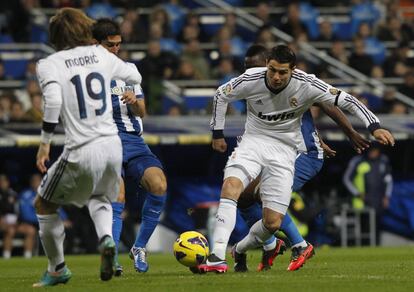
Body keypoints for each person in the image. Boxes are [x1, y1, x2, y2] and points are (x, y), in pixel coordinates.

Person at [197, 44, 394, 273]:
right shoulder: (251, 79)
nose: (276, 77)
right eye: (272, 70)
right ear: (267, 66)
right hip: (253, 143)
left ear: (293, 70)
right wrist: (217, 134)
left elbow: (346, 100)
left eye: (282, 72)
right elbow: (221, 94)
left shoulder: (307, 84)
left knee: (272, 223)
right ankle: (216, 257)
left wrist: (374, 126)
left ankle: (241, 249)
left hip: (285, 153)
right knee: (232, 187)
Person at [235, 44, 371, 272]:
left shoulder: (294, 83)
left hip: (302, 153)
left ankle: (300, 245)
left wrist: (350, 133)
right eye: (246, 67)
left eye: (255, 66)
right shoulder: (254, 87)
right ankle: (270, 245)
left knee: (264, 194)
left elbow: (327, 104)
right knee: (243, 196)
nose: (250, 72)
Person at [33, 8, 141, 287]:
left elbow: (54, 103)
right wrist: (127, 90)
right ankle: (106, 238)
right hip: (112, 145)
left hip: (81, 148)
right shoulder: (102, 56)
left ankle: (57, 269)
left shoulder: (50, 63)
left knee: (44, 204)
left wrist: (44, 144)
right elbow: (133, 75)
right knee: (100, 197)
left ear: (56, 34)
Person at [92, 18, 167, 275]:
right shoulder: (88, 75)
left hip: (134, 143)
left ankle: (139, 247)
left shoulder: (129, 70)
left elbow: (142, 111)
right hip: (105, 142)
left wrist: (134, 100)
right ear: (96, 44)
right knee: (118, 195)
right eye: (110, 45)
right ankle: (112, 256)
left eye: (118, 44)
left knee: (159, 185)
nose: (115, 49)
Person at [343, 143, 393, 245]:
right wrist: (357, 193)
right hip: (361, 201)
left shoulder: (383, 161)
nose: (372, 153)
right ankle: (362, 246)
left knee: (377, 225)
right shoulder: (358, 161)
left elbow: (388, 180)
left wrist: (387, 196)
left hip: (377, 199)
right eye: (370, 150)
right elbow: (346, 179)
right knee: (363, 226)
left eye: (374, 150)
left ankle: (376, 247)